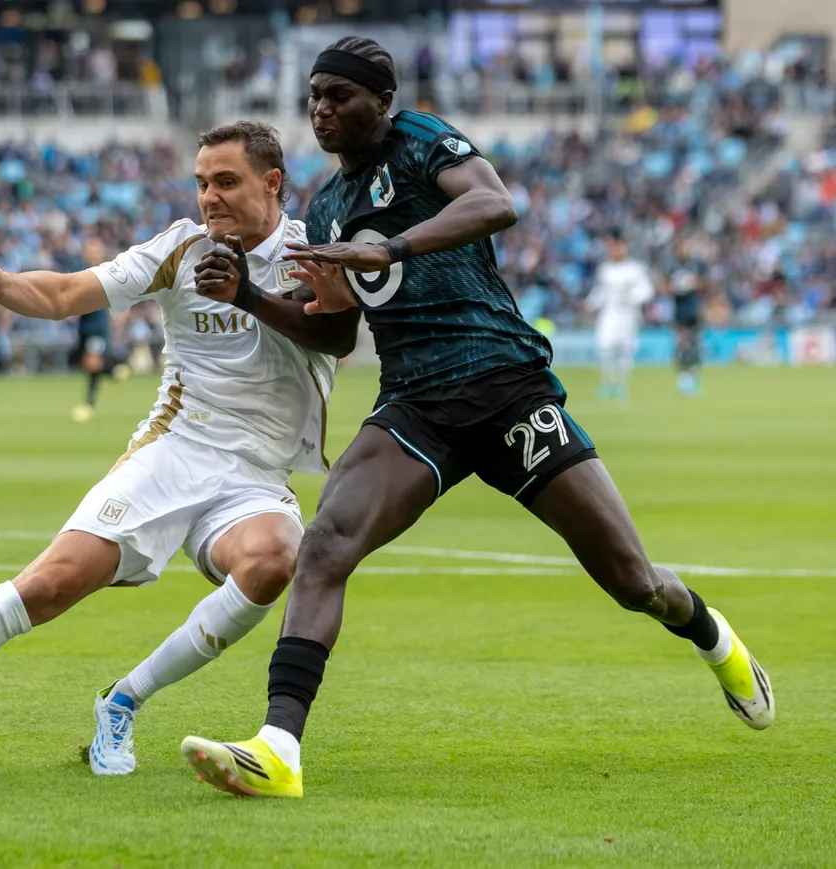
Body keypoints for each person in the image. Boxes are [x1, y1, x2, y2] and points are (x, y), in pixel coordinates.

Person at [180, 37, 772, 800]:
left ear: (381, 101)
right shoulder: (328, 204)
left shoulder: (422, 141)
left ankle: (710, 634)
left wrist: (389, 247)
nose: (322, 110)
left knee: (632, 581)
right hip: (416, 404)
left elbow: (497, 203)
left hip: (505, 387)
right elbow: (336, 330)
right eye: (315, 98)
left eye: (339, 95)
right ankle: (279, 745)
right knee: (325, 542)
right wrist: (252, 300)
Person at [0, 121, 360, 777]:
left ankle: (122, 701)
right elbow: (68, 293)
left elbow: (337, 337)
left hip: (255, 475)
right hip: (171, 452)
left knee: (273, 560)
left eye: (226, 181)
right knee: (49, 584)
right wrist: (2, 284)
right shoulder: (177, 250)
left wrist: (253, 294)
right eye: (202, 183)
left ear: (272, 183)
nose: (209, 197)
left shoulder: (312, 253)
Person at [586, 229, 654, 401]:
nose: (615, 250)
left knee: (626, 351)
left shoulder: (635, 268)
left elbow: (646, 291)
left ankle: (622, 386)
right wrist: (590, 303)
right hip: (608, 315)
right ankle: (607, 383)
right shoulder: (605, 269)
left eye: (619, 246)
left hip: (628, 316)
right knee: (605, 348)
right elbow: (599, 292)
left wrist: (631, 297)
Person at [69, 236, 131, 423]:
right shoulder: (83, 271)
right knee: (84, 363)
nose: (90, 253)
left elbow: (124, 290)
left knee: (92, 364)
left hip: (96, 328)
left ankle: (90, 401)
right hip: (84, 326)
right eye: (88, 250)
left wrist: (123, 311)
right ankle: (114, 371)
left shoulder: (108, 271)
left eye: (94, 250)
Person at [667, 238, 707, 395]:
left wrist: (694, 284)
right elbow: (665, 286)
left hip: (694, 310)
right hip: (679, 310)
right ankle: (683, 376)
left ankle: (695, 376)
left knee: (695, 344)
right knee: (681, 344)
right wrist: (675, 286)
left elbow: (706, 285)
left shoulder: (697, 265)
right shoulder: (672, 266)